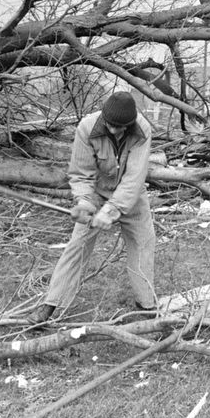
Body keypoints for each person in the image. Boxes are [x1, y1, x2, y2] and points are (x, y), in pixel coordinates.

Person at [28, 92, 157, 323]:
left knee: (143, 243)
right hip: (97, 191)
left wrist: (112, 210)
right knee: (77, 244)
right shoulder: (87, 127)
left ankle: (147, 306)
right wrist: (85, 202)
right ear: (103, 117)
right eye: (111, 125)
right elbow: (80, 173)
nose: (116, 131)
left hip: (132, 195)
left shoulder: (142, 129)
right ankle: (51, 305)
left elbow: (135, 177)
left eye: (121, 127)